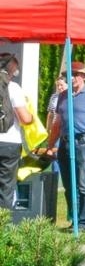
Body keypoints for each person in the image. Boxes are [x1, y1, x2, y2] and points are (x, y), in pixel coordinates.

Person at [45, 59, 85, 231]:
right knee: (69, 184)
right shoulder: (63, 96)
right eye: (68, 75)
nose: (70, 78)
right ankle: (74, 219)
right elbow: (57, 122)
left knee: (84, 183)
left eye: (74, 75)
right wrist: (49, 144)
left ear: (83, 77)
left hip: (84, 141)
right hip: (64, 142)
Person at [0, 51, 37, 211]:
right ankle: (2, 228)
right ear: (12, 68)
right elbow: (25, 118)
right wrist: (33, 118)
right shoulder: (13, 87)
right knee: (6, 187)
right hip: (9, 142)